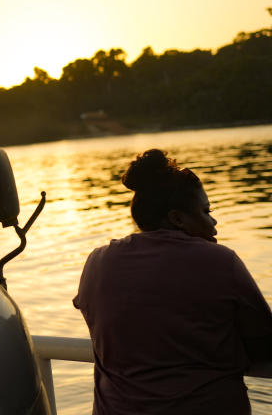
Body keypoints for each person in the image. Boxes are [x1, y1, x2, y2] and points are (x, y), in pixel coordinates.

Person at [73, 149, 272, 415]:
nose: (213, 222)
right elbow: (264, 347)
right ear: (177, 218)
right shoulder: (220, 262)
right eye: (206, 211)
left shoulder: (98, 262)